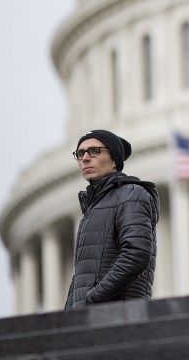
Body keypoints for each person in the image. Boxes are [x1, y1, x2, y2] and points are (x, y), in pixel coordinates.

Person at [64, 129, 159, 310]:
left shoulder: (130, 193)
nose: (85, 158)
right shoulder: (93, 207)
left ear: (114, 159)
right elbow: (82, 275)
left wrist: (92, 298)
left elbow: (136, 253)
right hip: (89, 316)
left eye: (94, 151)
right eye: (80, 153)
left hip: (118, 313)